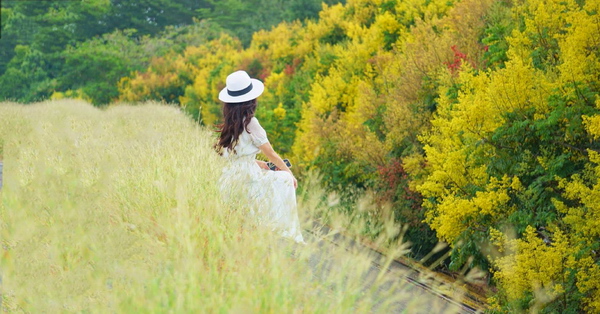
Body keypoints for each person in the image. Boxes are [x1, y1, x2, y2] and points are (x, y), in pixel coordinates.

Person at [215, 70, 304, 243]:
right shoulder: (250, 123)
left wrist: (257, 164)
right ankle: (282, 231)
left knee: (243, 219)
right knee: (283, 179)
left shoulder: (229, 124)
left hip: (228, 179)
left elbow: (233, 157)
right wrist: (289, 173)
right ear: (250, 100)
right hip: (247, 179)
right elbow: (270, 153)